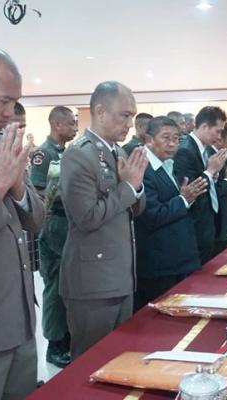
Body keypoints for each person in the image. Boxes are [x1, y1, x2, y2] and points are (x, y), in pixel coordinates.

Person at [59, 81, 147, 360]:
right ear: (100, 112)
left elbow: (135, 209)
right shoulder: (78, 154)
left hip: (121, 275)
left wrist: (135, 188)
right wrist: (128, 188)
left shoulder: (118, 152)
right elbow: (86, 217)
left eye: (132, 116)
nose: (130, 124)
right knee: (90, 362)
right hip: (93, 282)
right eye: (125, 115)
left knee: (118, 359)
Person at [0, 47, 45, 400]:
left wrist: (18, 188)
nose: (10, 113)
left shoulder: (3, 146)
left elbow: (36, 220)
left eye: (15, 102)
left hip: (20, 316)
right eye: (2, 101)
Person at [134, 116, 206, 310]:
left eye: (176, 138)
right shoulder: (143, 169)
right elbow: (151, 216)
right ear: (149, 139)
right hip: (159, 263)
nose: (173, 144)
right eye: (166, 137)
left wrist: (186, 198)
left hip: (178, 258)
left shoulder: (168, 164)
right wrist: (183, 199)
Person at [30, 106, 78, 368]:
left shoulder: (66, 152)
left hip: (68, 225)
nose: (75, 128)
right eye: (71, 124)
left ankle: (66, 338)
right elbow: (37, 191)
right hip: (53, 225)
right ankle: (54, 344)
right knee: (55, 289)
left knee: (68, 287)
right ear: (57, 124)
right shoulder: (44, 153)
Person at [174, 106, 227, 264]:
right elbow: (192, 190)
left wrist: (213, 176)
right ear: (204, 126)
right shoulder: (185, 151)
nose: (219, 137)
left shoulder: (207, 150)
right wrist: (210, 172)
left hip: (208, 222)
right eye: (217, 131)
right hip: (195, 225)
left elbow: (207, 180)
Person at [206, 122, 227, 255]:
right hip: (215, 221)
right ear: (220, 139)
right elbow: (213, 190)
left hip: (224, 219)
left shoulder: (224, 156)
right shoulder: (211, 157)